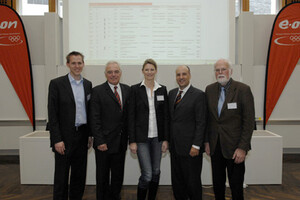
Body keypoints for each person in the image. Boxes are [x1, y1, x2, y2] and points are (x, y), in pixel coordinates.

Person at [205, 59, 255, 200]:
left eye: (223, 69)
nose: (220, 72)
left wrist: (242, 148)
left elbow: (249, 121)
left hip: (235, 148)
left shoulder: (243, 90)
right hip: (215, 146)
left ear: (230, 71)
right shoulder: (209, 90)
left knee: (236, 185)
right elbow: (208, 119)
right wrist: (207, 142)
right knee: (218, 185)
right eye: (217, 70)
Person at [48, 51, 93, 200]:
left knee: (79, 176)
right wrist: (57, 139)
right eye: (73, 63)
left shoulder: (88, 84)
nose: (77, 66)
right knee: (61, 177)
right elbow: (52, 114)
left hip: (82, 136)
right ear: (68, 64)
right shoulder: (56, 84)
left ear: (83, 64)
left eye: (79, 63)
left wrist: (89, 135)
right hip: (64, 138)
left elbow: (89, 112)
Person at [128, 59, 169, 200]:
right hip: (141, 139)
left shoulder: (162, 89)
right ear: (142, 71)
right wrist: (132, 141)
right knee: (147, 174)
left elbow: (165, 117)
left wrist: (165, 139)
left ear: (156, 71)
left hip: (158, 138)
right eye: (147, 69)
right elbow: (131, 117)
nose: (149, 72)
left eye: (152, 69)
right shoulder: (134, 89)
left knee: (156, 171)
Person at [89, 61, 130, 200]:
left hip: (120, 143)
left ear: (120, 73)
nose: (113, 75)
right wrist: (100, 140)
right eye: (110, 72)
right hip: (103, 144)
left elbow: (128, 117)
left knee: (118, 178)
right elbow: (94, 119)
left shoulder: (127, 90)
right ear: (105, 74)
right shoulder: (97, 91)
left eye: (116, 71)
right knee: (102, 179)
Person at [168, 65, 207, 200]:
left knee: (192, 183)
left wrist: (196, 145)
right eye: (178, 75)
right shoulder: (172, 94)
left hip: (191, 148)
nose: (181, 77)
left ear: (189, 75)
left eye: (184, 74)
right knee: (177, 182)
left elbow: (201, 122)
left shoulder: (199, 95)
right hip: (175, 148)